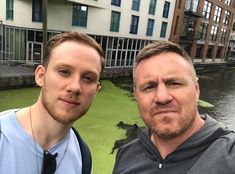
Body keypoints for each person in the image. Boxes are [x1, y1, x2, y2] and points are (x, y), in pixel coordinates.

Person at [113, 41, 235, 174]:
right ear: (136, 96)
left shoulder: (229, 155)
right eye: (149, 87)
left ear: (196, 90)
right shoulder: (125, 155)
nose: (162, 97)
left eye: (174, 83)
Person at [0, 31, 105, 174]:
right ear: (41, 76)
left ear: (96, 90)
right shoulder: (3, 137)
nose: (75, 87)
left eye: (88, 78)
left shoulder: (83, 158)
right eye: (64, 72)